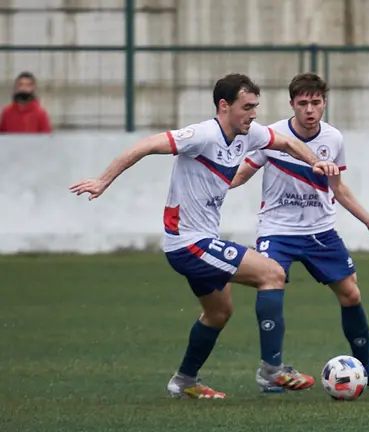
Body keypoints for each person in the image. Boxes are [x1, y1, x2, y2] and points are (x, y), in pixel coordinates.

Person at [69, 73, 339, 399]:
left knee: (218, 312)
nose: (253, 114)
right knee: (273, 273)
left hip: (200, 240)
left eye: (255, 106)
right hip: (188, 242)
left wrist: (317, 162)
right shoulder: (201, 134)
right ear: (224, 106)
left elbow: (286, 142)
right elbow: (144, 146)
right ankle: (272, 370)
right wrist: (102, 180)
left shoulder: (247, 133)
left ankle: (184, 381)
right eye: (247, 107)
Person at [230, 72, 369, 389]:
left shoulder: (333, 139)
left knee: (351, 293)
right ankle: (271, 372)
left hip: (320, 232)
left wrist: (367, 218)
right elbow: (242, 173)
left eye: (315, 103)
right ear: (292, 104)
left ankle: (365, 368)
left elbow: (338, 187)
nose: (309, 110)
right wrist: (213, 185)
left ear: (324, 103)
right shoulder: (270, 134)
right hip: (277, 230)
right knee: (269, 284)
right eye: (303, 103)